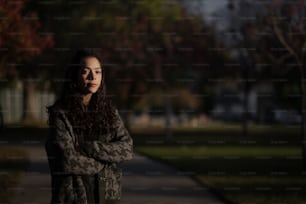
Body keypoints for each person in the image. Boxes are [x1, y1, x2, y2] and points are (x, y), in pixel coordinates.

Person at [45, 49, 133, 204]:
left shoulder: (109, 113)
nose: (93, 77)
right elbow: (68, 161)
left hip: (108, 197)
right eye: (86, 72)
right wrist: (105, 162)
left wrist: (90, 148)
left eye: (98, 72)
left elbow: (126, 148)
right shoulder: (61, 114)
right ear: (75, 74)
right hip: (74, 197)